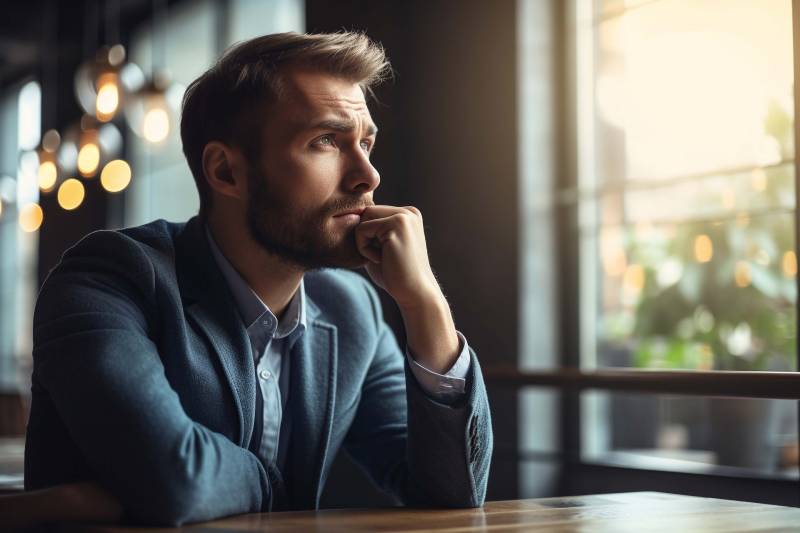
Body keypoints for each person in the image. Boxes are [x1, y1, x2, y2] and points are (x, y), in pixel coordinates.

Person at [22, 31, 492, 527]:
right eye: (326, 141)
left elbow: (451, 493)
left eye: (366, 142)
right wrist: (277, 485)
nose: (367, 175)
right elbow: (173, 479)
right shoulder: (108, 278)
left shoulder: (350, 308)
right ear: (226, 171)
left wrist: (426, 307)